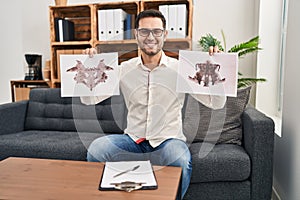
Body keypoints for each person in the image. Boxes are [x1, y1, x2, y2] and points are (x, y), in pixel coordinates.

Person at [81, 9, 226, 199]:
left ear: (165, 35)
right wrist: (87, 66)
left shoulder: (181, 69)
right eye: (144, 31)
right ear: (136, 35)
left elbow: (216, 104)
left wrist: (219, 65)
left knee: (180, 159)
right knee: (96, 150)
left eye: (157, 31)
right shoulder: (124, 69)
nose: (151, 37)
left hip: (168, 140)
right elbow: (88, 99)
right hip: (133, 140)